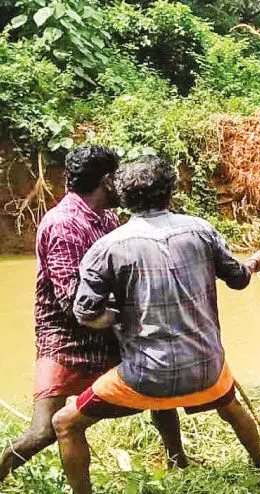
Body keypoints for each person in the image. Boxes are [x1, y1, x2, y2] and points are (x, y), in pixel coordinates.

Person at [51, 155, 260, 494]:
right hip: (207, 370)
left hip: (145, 378)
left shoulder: (105, 248)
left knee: (64, 423)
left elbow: (85, 313)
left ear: (122, 197)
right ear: (171, 191)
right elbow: (239, 279)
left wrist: (118, 318)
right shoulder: (201, 230)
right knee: (232, 407)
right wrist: (254, 263)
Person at [0, 147, 187, 483]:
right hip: (66, 337)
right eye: (118, 178)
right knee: (43, 432)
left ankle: (178, 461)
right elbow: (71, 301)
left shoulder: (107, 219)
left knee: (160, 393)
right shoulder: (63, 224)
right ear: (107, 181)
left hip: (106, 327)